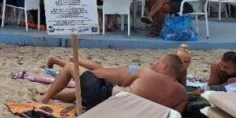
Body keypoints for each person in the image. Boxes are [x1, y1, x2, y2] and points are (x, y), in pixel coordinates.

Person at [38, 54, 188, 112]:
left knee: (72, 67)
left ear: (164, 66)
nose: (155, 65)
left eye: (158, 62)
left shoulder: (146, 73)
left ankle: (43, 100)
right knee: (83, 91)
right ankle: (47, 94)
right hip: (132, 115)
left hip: (107, 102)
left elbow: (121, 87)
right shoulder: (182, 94)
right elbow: (175, 116)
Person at [46, 44, 191, 87]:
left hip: (134, 70)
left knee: (100, 69)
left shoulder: (176, 68)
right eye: (183, 61)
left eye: (188, 62)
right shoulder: (170, 69)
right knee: (97, 73)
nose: (185, 64)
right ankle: (68, 63)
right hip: (131, 73)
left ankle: (62, 61)